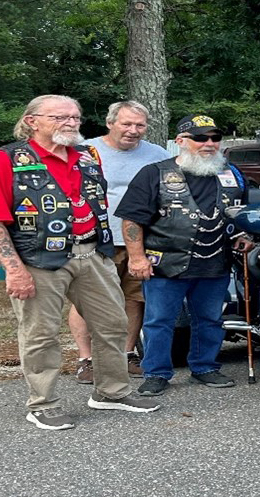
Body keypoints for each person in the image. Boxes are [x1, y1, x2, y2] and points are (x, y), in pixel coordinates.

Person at [0, 95, 160, 430]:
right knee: (40, 333)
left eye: (75, 117)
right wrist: (15, 270)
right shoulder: (6, 159)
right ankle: (42, 404)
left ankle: (111, 392)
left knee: (113, 323)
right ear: (32, 121)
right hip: (37, 259)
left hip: (92, 253)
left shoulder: (87, 157)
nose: (71, 123)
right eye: (60, 117)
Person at [117, 114, 252, 396]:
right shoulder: (153, 173)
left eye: (214, 138)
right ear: (180, 141)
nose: (209, 144)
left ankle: (205, 367)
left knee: (211, 319)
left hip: (215, 261)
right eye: (200, 138)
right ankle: (156, 372)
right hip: (165, 263)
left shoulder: (231, 173)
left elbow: (239, 211)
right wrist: (137, 257)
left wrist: (242, 235)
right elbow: (131, 219)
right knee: (159, 321)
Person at [66, 101, 170, 384]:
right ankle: (86, 360)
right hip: (93, 239)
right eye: (126, 124)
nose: (133, 131)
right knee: (85, 300)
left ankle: (127, 355)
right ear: (110, 123)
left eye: (140, 125)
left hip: (140, 241)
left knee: (134, 299)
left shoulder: (157, 154)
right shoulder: (83, 152)